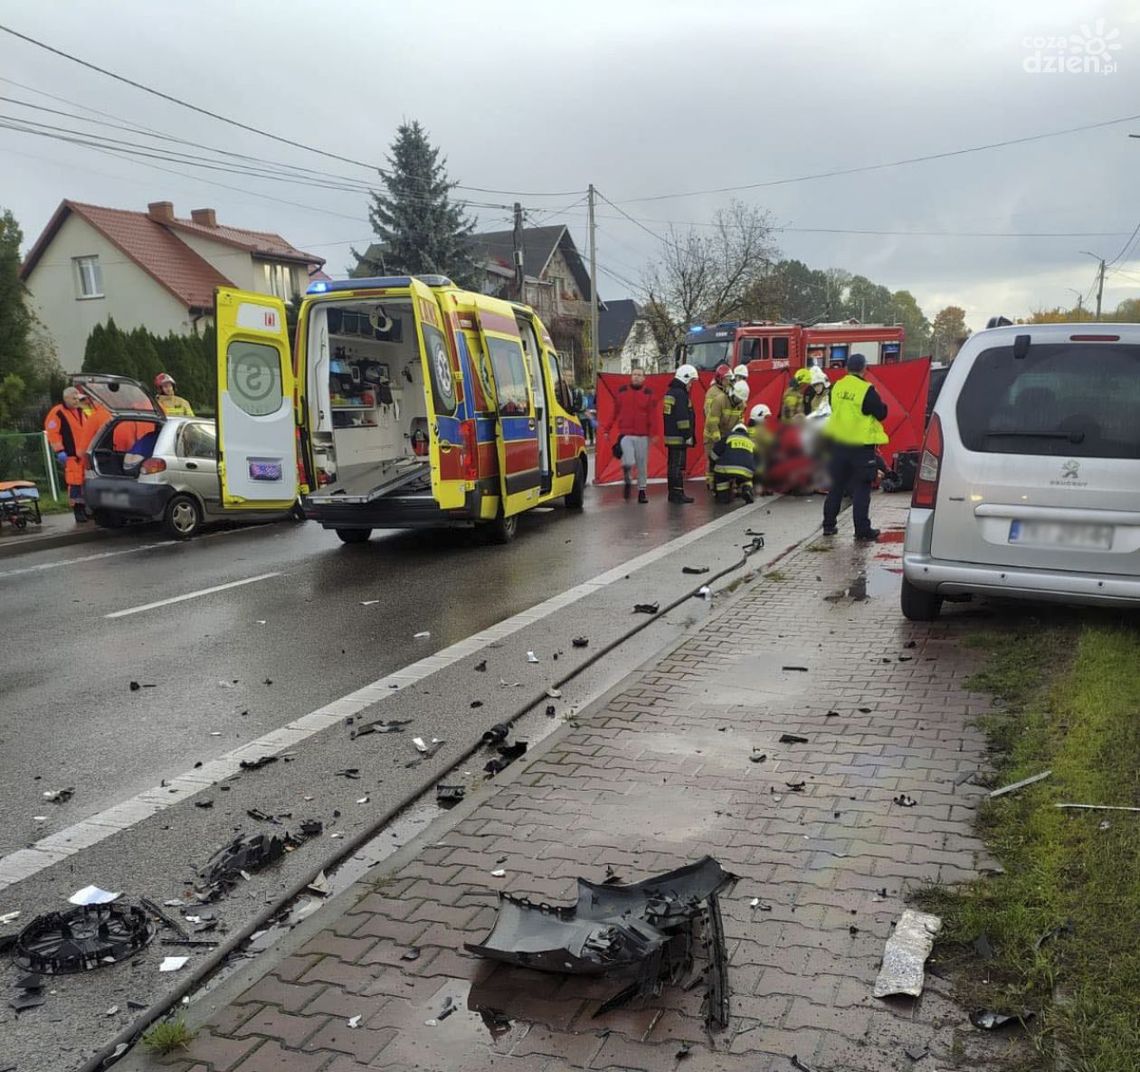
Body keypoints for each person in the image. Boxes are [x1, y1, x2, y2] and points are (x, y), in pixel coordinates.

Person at [821, 352, 889, 541]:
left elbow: (834, 408)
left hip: (838, 444)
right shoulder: (866, 390)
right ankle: (862, 530)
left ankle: (828, 526)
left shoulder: (836, 387)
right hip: (860, 447)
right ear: (864, 369)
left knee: (836, 486)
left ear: (846, 368)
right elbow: (881, 412)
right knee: (861, 488)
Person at [44, 386, 104, 523]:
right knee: (75, 483)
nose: (77, 400)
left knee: (86, 482)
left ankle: (88, 510)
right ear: (66, 398)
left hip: (84, 454)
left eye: (78, 398)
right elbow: (53, 433)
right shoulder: (57, 412)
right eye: (74, 398)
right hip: (71, 455)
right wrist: (59, 451)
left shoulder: (82, 411)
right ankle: (78, 511)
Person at [607, 367, 655, 503]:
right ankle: (627, 476)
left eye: (639, 375)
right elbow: (615, 412)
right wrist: (607, 428)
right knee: (628, 460)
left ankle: (642, 491)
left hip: (642, 435)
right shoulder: (622, 392)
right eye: (634, 374)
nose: (636, 377)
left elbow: (652, 415)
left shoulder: (648, 393)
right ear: (631, 376)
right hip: (626, 434)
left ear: (644, 378)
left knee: (641, 465)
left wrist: (653, 433)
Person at [663, 363, 699, 504]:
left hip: (671, 435)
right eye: (690, 381)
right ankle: (677, 493)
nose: (691, 385)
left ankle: (673, 492)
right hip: (679, 437)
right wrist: (687, 435)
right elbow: (682, 417)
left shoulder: (671, 392)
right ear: (685, 379)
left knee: (672, 465)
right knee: (677, 466)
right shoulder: (681, 394)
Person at [702, 364, 732, 488]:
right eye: (726, 379)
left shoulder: (725, 390)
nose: (729, 381)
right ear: (720, 379)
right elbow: (709, 414)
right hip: (712, 434)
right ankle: (710, 482)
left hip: (722, 432)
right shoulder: (712, 393)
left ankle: (719, 481)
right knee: (712, 458)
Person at [712, 421, 757, 504]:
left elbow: (714, 454)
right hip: (746, 470)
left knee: (721, 477)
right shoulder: (751, 442)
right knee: (746, 478)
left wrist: (715, 463)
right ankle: (746, 489)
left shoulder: (728, 437)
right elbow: (757, 460)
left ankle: (723, 496)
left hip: (726, 469)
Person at [746, 403, 775, 489]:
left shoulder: (747, 430)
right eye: (765, 418)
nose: (766, 421)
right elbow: (773, 443)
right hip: (759, 469)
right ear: (760, 417)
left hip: (748, 468)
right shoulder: (761, 431)